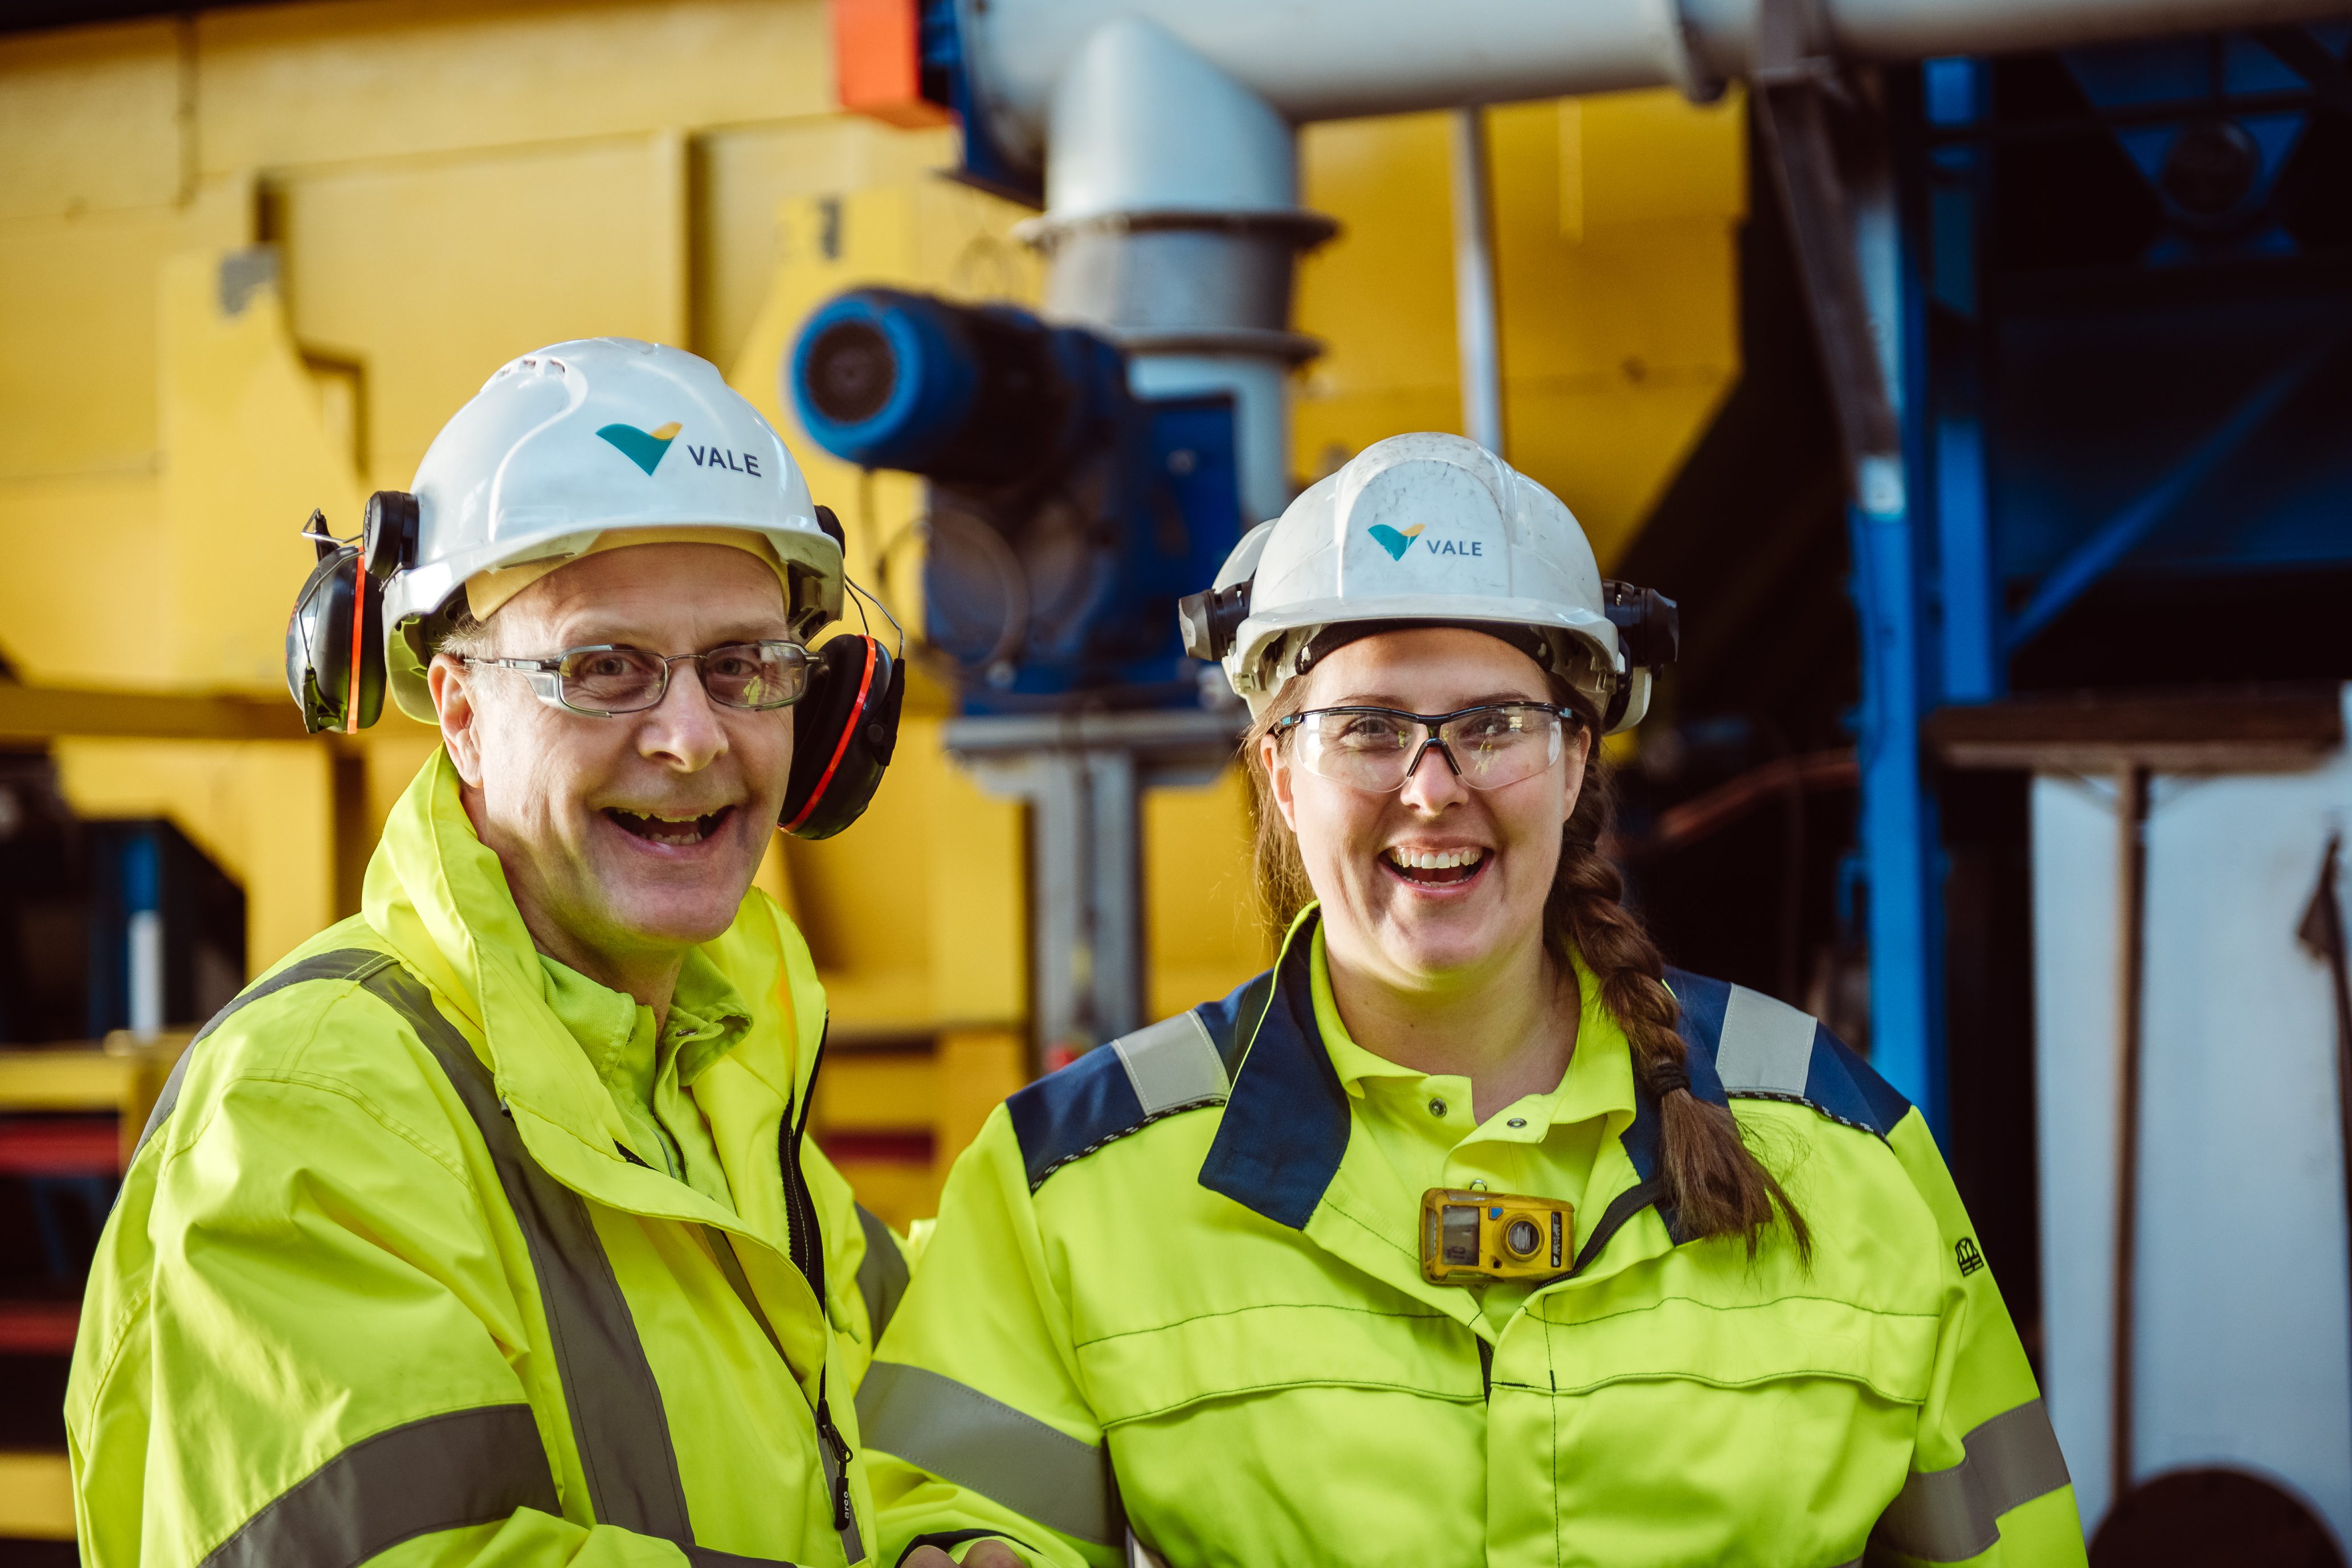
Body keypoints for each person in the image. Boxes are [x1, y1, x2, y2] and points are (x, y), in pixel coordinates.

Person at [859, 432, 2083, 1567]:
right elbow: (956, 1512)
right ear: (1281, 772)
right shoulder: (1072, 1185)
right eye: (1369, 728)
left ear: (1575, 756)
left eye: (1494, 723)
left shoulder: (1841, 1148)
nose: (1433, 788)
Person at [68, 339, 910, 1567]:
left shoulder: (723, 1063)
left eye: (742, 665)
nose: (691, 737)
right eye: (603, 668)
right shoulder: (312, 1103)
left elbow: (900, 1404)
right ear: (459, 713)